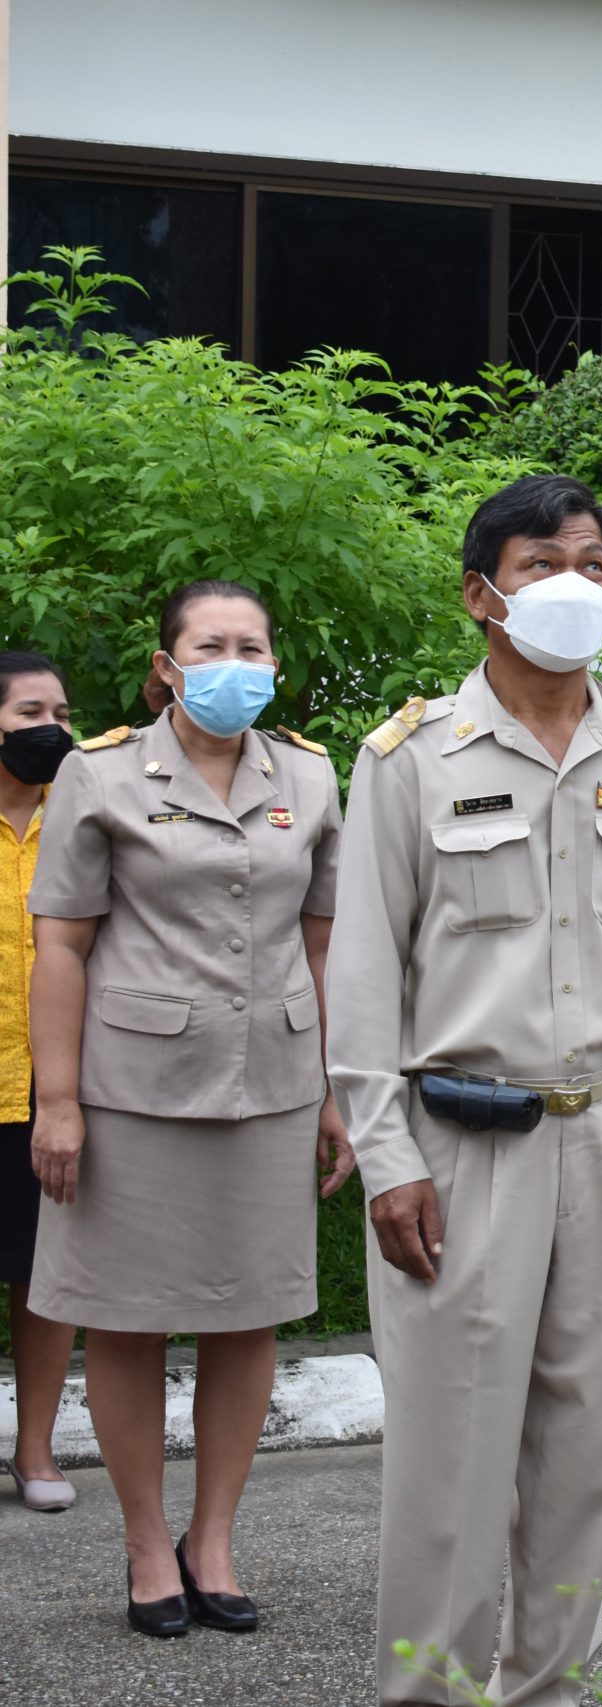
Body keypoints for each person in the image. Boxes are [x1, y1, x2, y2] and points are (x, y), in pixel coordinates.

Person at [330, 475, 602, 1702]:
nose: (573, 586)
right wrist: (385, 1156)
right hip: (461, 1145)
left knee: (584, 1457)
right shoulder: (409, 761)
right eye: (542, 564)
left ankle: (548, 1689)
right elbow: (363, 978)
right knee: (448, 1465)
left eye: (593, 566)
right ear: (481, 595)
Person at [28, 584, 352, 1635]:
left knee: (249, 1314)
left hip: (273, 1084)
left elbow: (323, 941)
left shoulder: (308, 773)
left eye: (252, 646)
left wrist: (335, 1088)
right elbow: (61, 945)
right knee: (125, 1317)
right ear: (168, 666)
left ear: (275, 664)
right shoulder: (101, 772)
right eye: (211, 645)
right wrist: (58, 1102)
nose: (234, 663)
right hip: (134, 1093)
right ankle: (143, 1542)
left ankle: (212, 1539)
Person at [0, 653, 78, 1513]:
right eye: (31, 712)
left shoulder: (79, 813)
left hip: (57, 1088)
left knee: (44, 1275)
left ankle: (36, 1449)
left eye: (61, 712)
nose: (52, 727)